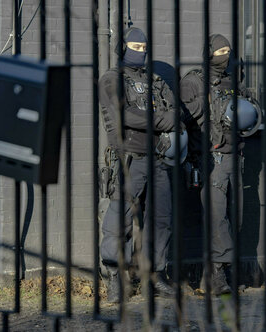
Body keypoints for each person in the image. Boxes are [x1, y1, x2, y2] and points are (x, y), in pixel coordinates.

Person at [98, 27, 182, 302]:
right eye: (135, 47)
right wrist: (161, 120)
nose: (140, 52)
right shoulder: (112, 79)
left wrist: (170, 116)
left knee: (161, 219)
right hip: (128, 160)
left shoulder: (154, 80)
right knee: (118, 220)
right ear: (123, 47)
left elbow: (175, 107)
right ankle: (115, 277)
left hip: (158, 159)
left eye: (144, 48)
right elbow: (126, 114)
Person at [180, 34, 260, 295]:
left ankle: (218, 272)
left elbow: (251, 114)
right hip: (211, 160)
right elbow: (183, 120)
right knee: (217, 220)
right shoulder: (194, 82)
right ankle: (216, 275)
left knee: (233, 219)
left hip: (236, 158)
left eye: (228, 49)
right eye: (220, 51)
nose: (225, 55)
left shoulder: (234, 81)